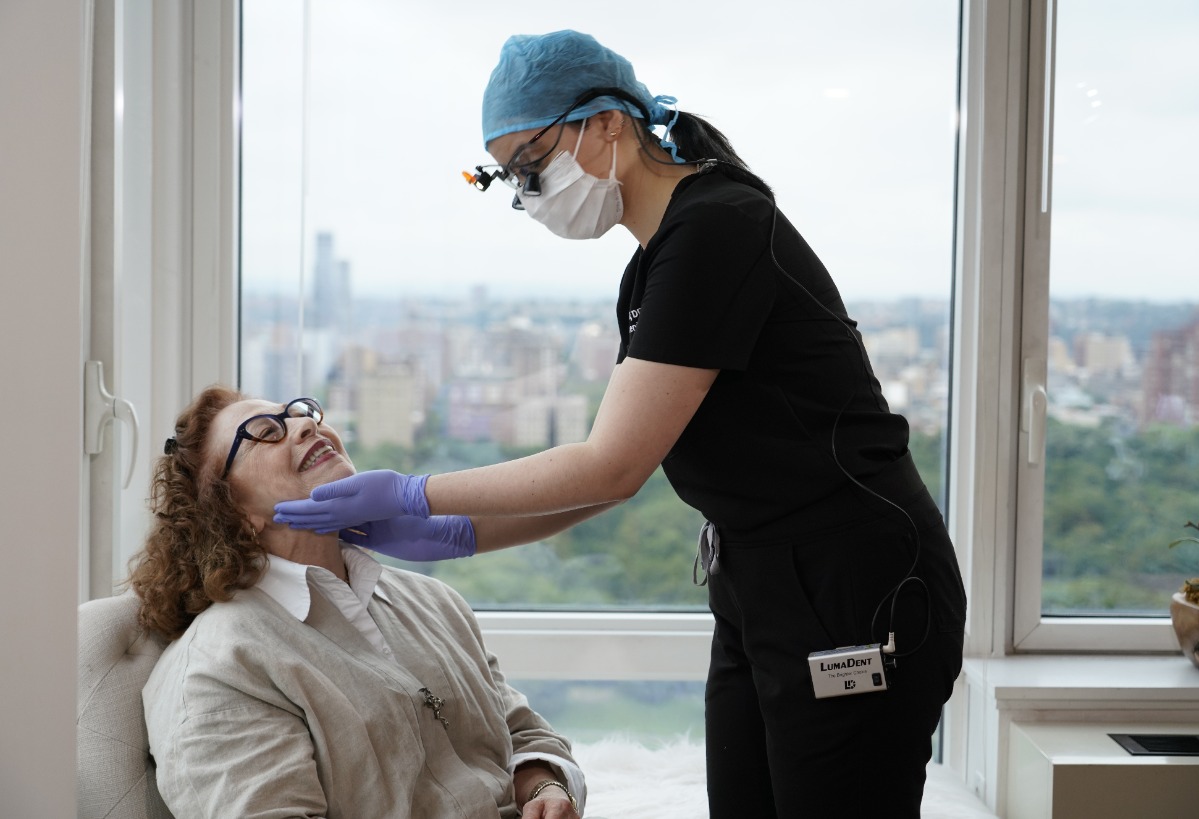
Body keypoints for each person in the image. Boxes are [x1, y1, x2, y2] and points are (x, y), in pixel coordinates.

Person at [274, 30, 967, 818]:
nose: (528, 193)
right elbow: (619, 471)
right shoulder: (651, 267)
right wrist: (462, 533)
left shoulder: (719, 226)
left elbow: (611, 465)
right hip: (762, 582)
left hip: (851, 583)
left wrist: (414, 493)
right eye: (508, 179)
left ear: (607, 124)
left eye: (530, 166)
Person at [129, 386, 592, 819]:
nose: (306, 426)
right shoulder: (221, 666)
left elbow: (524, 733)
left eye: (301, 413)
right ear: (232, 511)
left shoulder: (431, 600)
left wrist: (544, 788)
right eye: (266, 433)